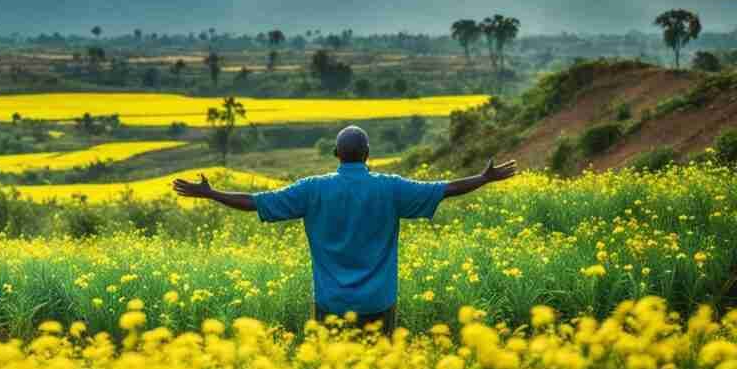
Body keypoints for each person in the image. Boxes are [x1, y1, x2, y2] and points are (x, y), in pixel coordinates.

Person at [172, 124, 516, 332]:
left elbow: (256, 202)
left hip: (330, 303)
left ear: (336, 153)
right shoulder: (390, 187)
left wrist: (211, 192)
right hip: (378, 302)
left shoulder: (312, 188)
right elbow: (443, 189)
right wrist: (484, 178)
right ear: (368, 153)